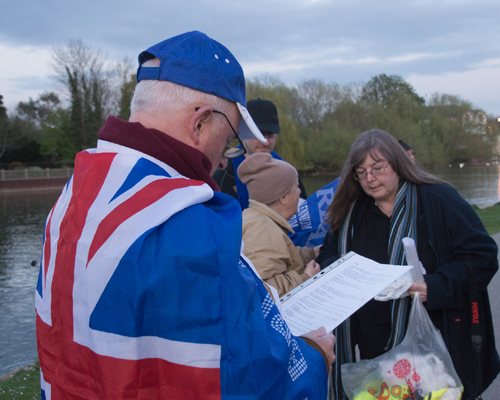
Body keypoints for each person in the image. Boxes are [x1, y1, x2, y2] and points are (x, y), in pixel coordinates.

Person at [35, 31, 335, 399]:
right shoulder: (187, 222)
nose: (225, 159)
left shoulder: (76, 191)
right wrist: (315, 356)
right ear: (200, 123)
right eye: (226, 141)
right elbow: (245, 381)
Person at [317, 129, 499, 400]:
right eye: (361, 171)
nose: (370, 178)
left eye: (378, 168)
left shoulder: (438, 199)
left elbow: (482, 255)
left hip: (437, 344)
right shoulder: (352, 212)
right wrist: (344, 271)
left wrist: (432, 287)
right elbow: (328, 256)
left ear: (398, 164)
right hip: (375, 350)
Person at [238, 153, 321, 297]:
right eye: (296, 187)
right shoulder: (263, 230)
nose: (300, 191)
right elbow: (262, 289)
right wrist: (306, 277)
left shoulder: (254, 218)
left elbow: (277, 256)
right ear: (283, 198)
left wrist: (311, 254)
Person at [213, 98, 307, 210]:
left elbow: (305, 216)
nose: (266, 142)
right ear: (243, 133)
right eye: (258, 134)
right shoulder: (223, 174)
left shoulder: (289, 174)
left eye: (271, 134)